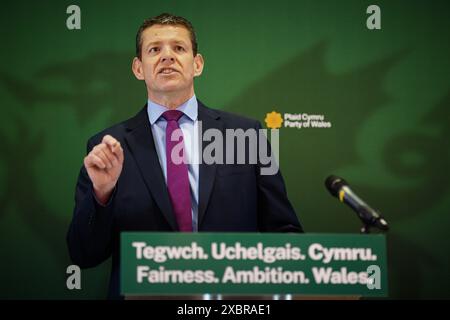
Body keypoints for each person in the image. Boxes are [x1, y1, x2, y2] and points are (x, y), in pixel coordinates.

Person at [67, 13, 303, 299]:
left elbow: (284, 232)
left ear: (197, 64)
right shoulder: (108, 147)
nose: (167, 56)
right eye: (155, 50)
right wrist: (102, 194)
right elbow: (84, 254)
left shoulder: (245, 134)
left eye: (178, 48)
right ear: (138, 68)